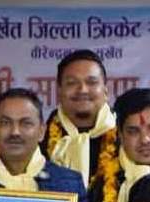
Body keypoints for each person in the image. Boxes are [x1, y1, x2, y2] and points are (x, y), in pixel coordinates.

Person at [42, 49, 118, 187]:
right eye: (72, 83)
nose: (82, 90)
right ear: (59, 91)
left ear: (105, 90)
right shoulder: (40, 137)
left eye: (92, 82)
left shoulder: (125, 135)